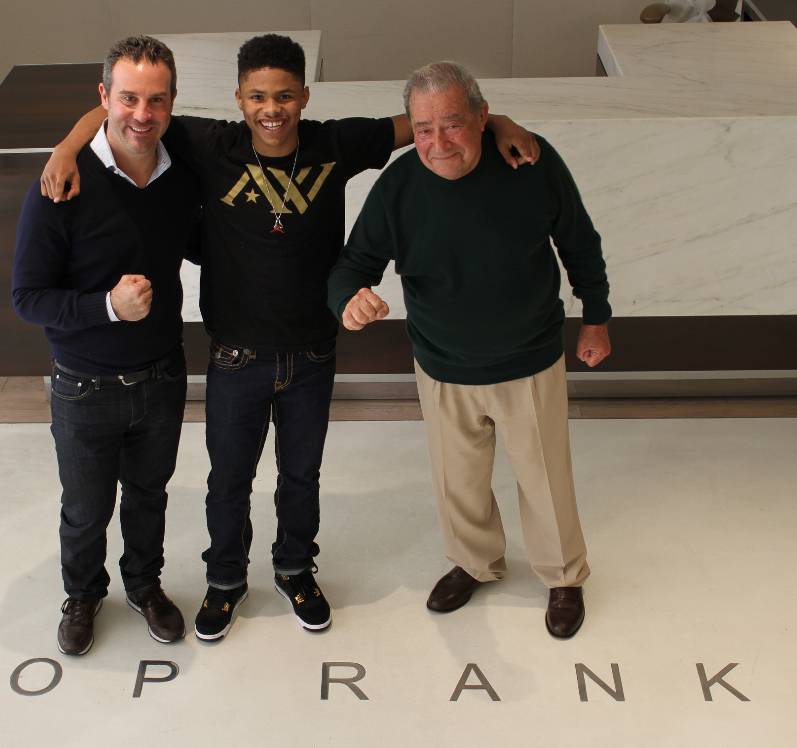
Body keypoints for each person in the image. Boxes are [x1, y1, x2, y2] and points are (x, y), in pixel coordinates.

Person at [39, 34, 541, 642]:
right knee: (229, 482)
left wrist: (499, 122)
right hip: (235, 357)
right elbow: (124, 110)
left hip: (312, 355)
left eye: (283, 95)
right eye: (257, 96)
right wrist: (67, 148)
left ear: (304, 95)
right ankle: (225, 580)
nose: (270, 108)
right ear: (239, 98)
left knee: (301, 478)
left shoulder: (335, 144)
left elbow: (428, 120)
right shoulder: (209, 143)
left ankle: (295, 570)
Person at [326, 61, 612, 639]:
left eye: (452, 124)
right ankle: (475, 563)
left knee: (546, 480)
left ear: (483, 117)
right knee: (458, 481)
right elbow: (353, 263)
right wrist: (347, 300)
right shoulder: (399, 187)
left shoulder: (530, 162)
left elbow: (579, 242)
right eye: (423, 129)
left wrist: (596, 318)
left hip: (529, 358)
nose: (438, 143)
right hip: (442, 365)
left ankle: (562, 575)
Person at [12, 36, 201, 654]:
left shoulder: (181, 169)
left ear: (173, 101)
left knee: (149, 497)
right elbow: (27, 297)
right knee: (86, 509)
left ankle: (144, 586)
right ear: (104, 97)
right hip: (83, 386)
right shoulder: (60, 185)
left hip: (162, 377)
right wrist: (107, 307)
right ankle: (83, 594)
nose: (142, 114)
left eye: (156, 100)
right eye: (128, 98)